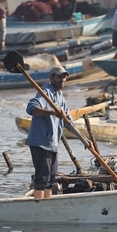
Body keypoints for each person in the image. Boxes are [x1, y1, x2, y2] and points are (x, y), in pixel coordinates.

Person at [25, 66, 70, 200]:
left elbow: (69, 121)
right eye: (59, 76)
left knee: (51, 180)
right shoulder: (45, 93)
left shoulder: (61, 97)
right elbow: (31, 108)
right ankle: (39, 206)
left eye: (64, 77)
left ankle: (47, 205)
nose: (62, 79)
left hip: (52, 145)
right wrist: (52, 112)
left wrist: (86, 141)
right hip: (41, 143)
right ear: (52, 78)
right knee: (42, 179)